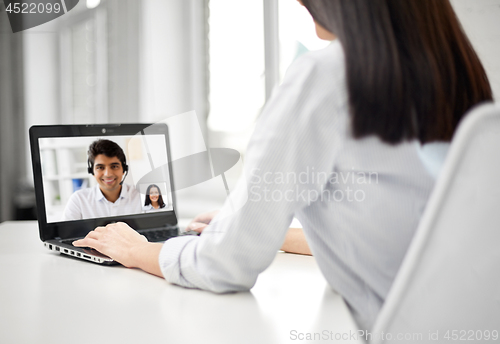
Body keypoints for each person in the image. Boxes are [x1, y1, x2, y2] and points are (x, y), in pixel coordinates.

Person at [73, 0, 492, 331]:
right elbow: (409, 236)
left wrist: (140, 250)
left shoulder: (327, 75)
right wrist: (261, 222)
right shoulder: (456, 73)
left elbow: (227, 266)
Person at [63, 139, 142, 220]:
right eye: (100, 167)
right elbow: (68, 232)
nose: (108, 174)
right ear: (92, 171)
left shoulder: (142, 195)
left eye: (114, 166)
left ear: (124, 169)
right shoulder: (78, 200)